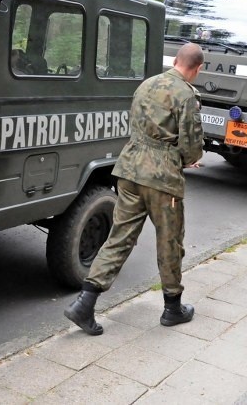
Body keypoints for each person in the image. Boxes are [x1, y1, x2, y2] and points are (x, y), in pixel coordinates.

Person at [64, 43, 205, 335]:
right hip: (162, 178)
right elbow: (192, 147)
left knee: (118, 237)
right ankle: (172, 307)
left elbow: (137, 125)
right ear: (197, 68)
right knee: (169, 242)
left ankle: (84, 303)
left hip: (129, 169)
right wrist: (186, 159)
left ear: (175, 60)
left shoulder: (147, 85)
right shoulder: (185, 94)